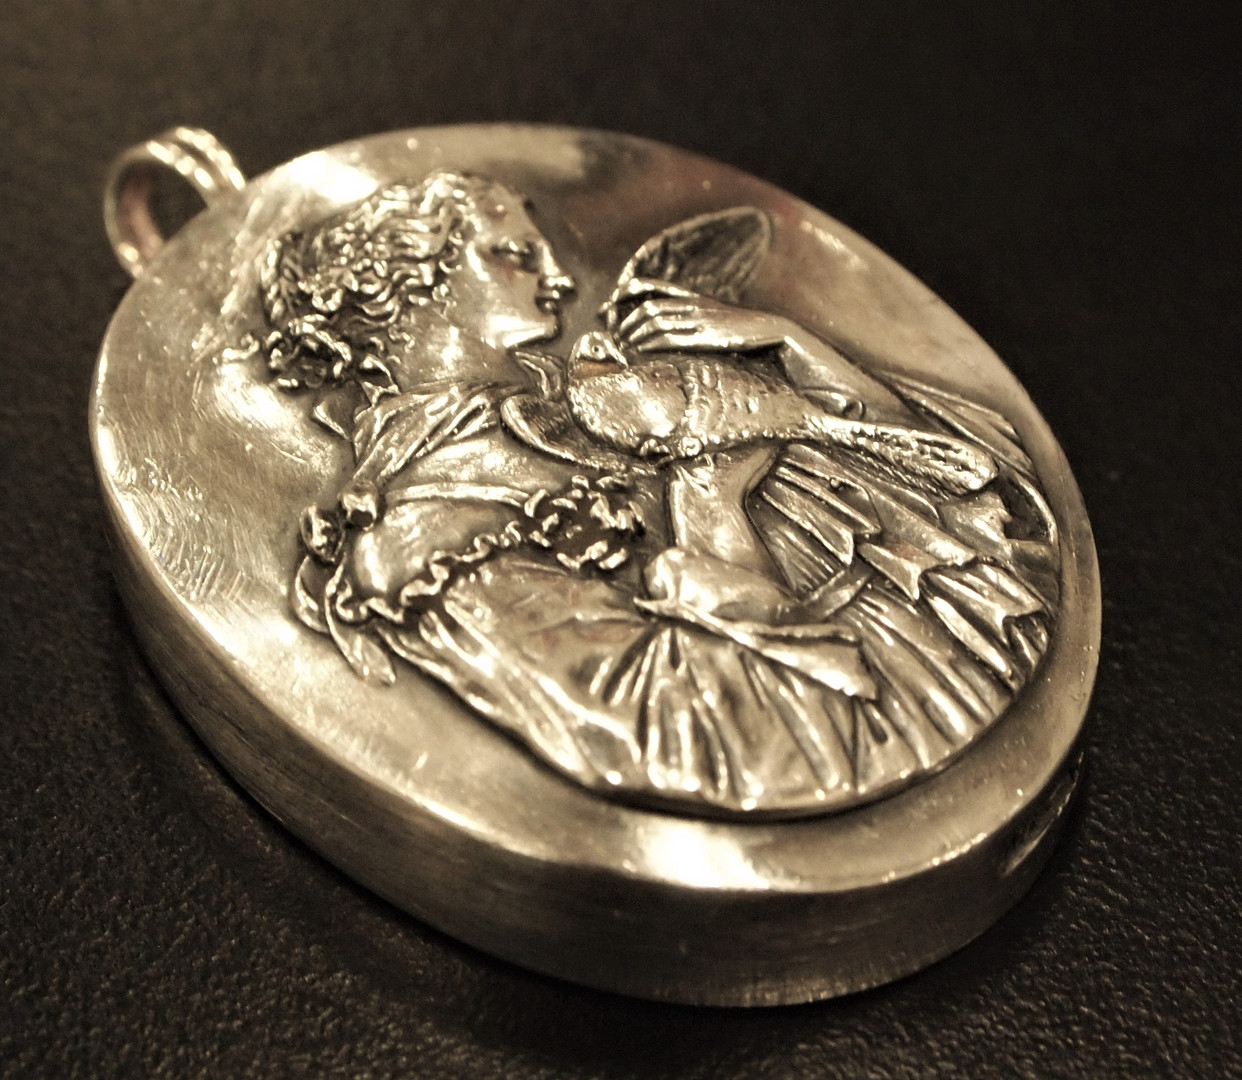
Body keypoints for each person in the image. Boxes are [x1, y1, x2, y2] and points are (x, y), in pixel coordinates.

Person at [257, 178, 1058, 816]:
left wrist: (786, 342)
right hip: (865, 725)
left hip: (944, 642)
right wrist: (711, 503)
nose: (560, 278)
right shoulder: (425, 534)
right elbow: (690, 734)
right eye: (513, 255)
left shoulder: (582, 389)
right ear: (410, 289)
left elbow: (960, 477)